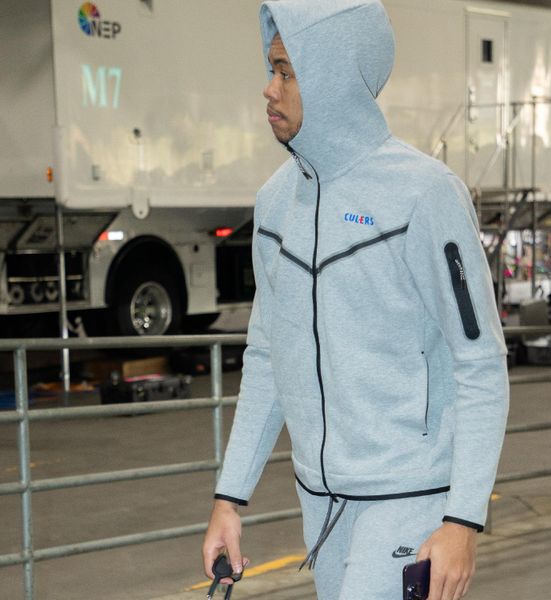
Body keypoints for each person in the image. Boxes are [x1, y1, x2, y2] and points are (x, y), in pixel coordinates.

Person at [202, 2, 509, 599]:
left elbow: (480, 362)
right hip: (319, 501)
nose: (269, 89)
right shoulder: (274, 204)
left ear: (333, 76)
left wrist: (464, 519)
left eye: (286, 72)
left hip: (409, 500)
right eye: (271, 69)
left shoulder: (424, 195)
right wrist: (229, 498)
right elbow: (268, 357)